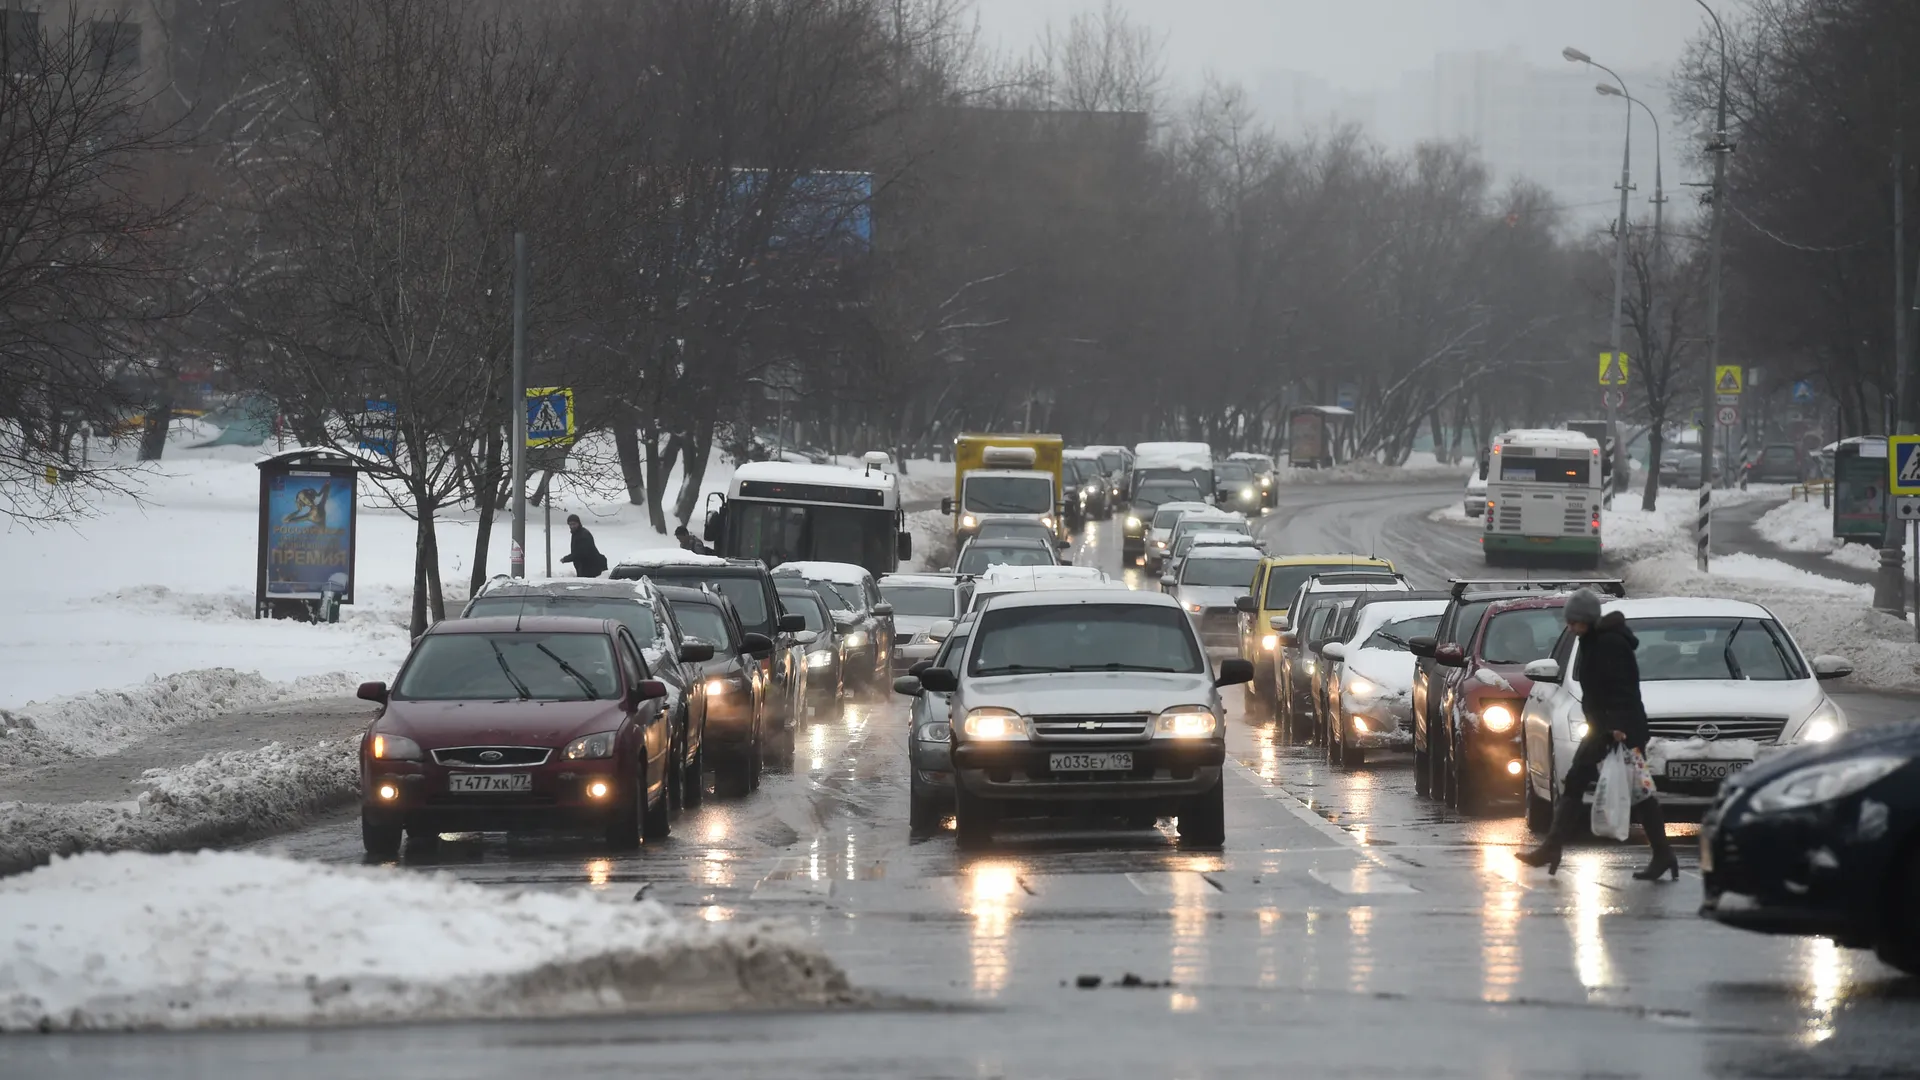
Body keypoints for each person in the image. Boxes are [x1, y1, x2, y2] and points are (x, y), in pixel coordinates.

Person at [1515, 588, 1676, 881]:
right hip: (1606, 726)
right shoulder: (1591, 640)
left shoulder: (1611, 644)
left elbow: (1623, 688)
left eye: (1574, 621)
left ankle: (1663, 854)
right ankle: (1553, 847)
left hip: (1619, 729)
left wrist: (1618, 728)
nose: (1570, 627)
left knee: (1637, 791)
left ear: (1587, 620)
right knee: (1584, 783)